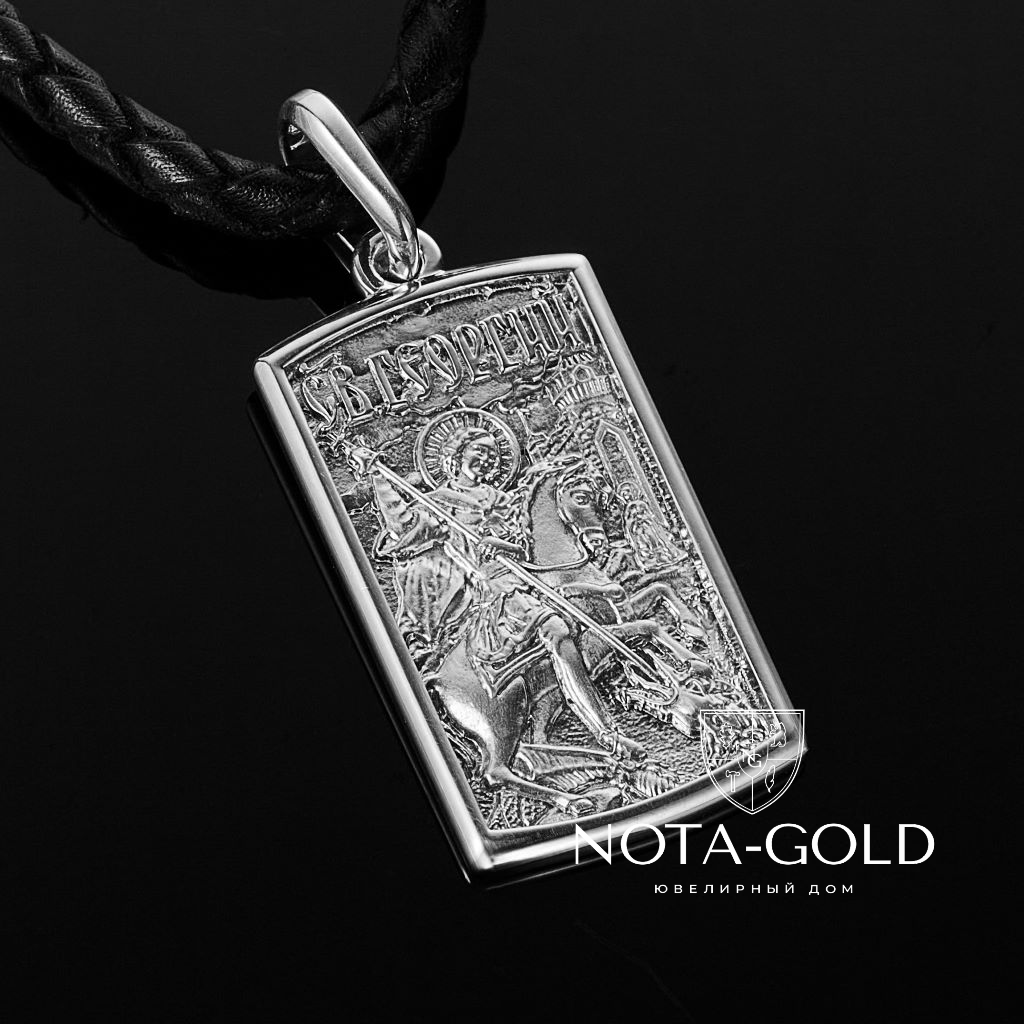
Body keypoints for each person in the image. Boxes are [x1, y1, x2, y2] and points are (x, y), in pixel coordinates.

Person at [351, 424, 645, 760]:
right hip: (489, 591)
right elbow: (403, 525)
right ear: (456, 455)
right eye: (479, 451)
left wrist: (501, 544)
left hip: (523, 578)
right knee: (557, 630)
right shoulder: (437, 505)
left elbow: (524, 546)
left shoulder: (504, 501)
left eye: (492, 454)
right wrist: (378, 476)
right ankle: (608, 735)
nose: (487, 459)